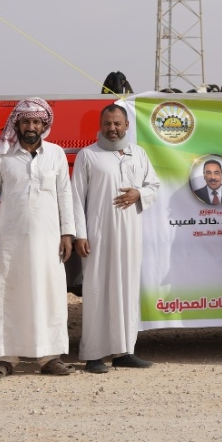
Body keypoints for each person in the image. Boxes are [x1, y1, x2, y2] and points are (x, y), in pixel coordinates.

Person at [0, 98, 76, 378]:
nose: (30, 127)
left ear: (44, 125)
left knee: (49, 295)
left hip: (49, 240)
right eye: (25, 122)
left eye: (35, 122)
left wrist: (67, 233)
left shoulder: (55, 154)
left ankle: (49, 358)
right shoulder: (3, 155)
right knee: (9, 295)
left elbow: (65, 195)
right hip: (11, 240)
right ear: (17, 124)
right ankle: (6, 357)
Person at [73, 103, 161, 372]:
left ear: (126, 126)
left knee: (127, 290)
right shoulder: (88, 155)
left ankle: (124, 351)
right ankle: (94, 355)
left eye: (117, 124)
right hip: (98, 235)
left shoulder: (138, 154)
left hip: (130, 235)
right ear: (101, 126)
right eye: (108, 124)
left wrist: (139, 193)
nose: (112, 128)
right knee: (97, 291)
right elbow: (75, 197)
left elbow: (154, 185)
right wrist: (80, 235)